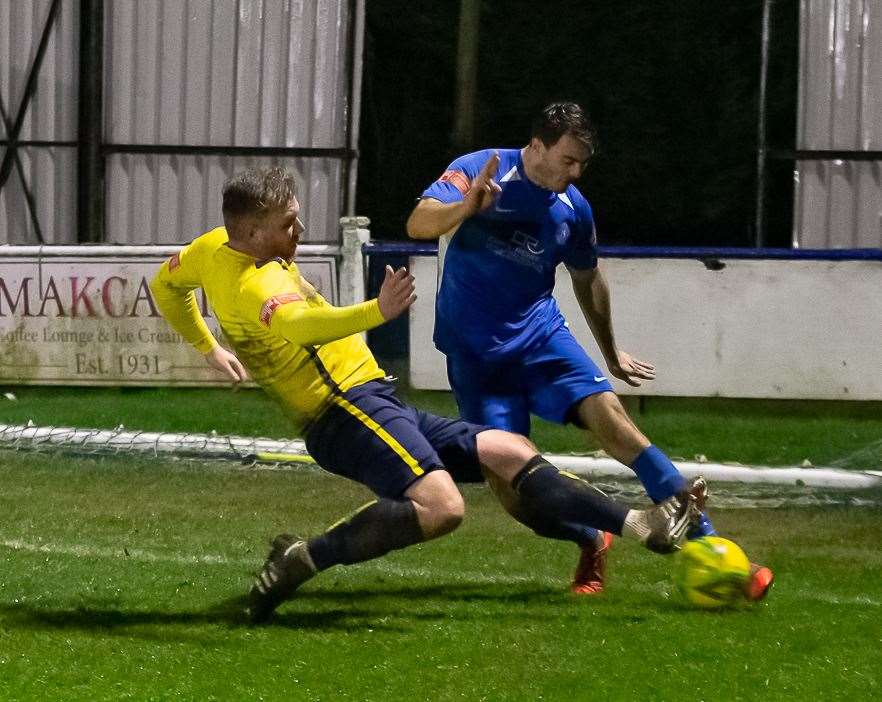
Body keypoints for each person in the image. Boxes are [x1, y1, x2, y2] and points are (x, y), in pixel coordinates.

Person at [150, 166, 701, 624]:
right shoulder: (256, 283)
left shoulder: (211, 248)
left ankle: (638, 524)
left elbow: (165, 286)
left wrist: (207, 347)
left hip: (371, 399)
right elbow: (297, 327)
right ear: (249, 233)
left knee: (511, 452)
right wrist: (377, 312)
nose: (299, 232)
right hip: (339, 411)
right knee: (443, 508)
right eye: (287, 225)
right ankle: (306, 558)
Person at [406, 102, 772, 600]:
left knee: (614, 421)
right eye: (567, 160)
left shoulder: (573, 209)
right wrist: (465, 207)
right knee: (517, 498)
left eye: (582, 164)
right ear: (537, 146)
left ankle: (716, 549)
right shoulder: (482, 168)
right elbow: (419, 222)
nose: (575, 173)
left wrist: (612, 352)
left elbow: (588, 279)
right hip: (477, 362)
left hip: (540, 339)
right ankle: (590, 536)